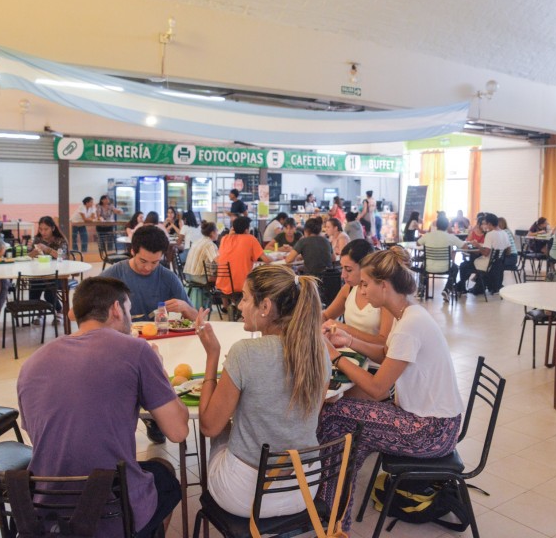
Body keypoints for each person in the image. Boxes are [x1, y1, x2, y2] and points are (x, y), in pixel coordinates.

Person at [17, 276, 187, 538]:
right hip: (110, 511)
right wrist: (159, 371)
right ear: (116, 309)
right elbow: (177, 432)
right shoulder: (137, 350)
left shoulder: (32, 363)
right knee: (164, 474)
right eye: (129, 310)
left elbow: (40, 434)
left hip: (46, 511)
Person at [317, 247, 463, 531]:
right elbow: (386, 354)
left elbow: (377, 387)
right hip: (432, 422)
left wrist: (335, 356)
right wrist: (349, 340)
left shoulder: (409, 325)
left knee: (335, 415)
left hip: (431, 431)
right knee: (348, 433)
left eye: (365, 284)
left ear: (383, 286)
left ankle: (331, 511)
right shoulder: (408, 314)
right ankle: (334, 512)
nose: (362, 290)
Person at [194, 265, 329, 517]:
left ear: (265, 307)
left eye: (245, 298)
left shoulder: (245, 352)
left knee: (220, 427)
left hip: (246, 496)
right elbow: (302, 416)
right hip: (304, 488)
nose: (239, 306)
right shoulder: (320, 352)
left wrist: (212, 356)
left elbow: (208, 427)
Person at [100, 226, 196, 321]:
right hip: (122, 335)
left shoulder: (168, 278)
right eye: (143, 261)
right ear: (132, 251)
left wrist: (185, 308)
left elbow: (197, 318)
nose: (148, 267)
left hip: (157, 334)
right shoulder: (113, 275)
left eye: (155, 262)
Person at [322, 239, 394, 347]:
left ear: (366, 268)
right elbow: (326, 315)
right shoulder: (349, 289)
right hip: (350, 353)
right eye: (342, 268)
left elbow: (383, 342)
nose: (343, 275)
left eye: (349, 270)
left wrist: (345, 329)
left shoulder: (384, 294)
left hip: (374, 360)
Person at [216, 217, 272, 313]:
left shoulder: (224, 239)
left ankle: (231, 307)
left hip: (223, 282)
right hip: (241, 284)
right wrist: (276, 258)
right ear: (247, 229)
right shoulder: (250, 239)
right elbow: (266, 260)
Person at [417, 214, 467, 302]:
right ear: (448, 225)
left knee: (422, 266)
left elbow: (418, 243)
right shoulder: (451, 237)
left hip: (429, 267)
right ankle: (447, 289)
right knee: (455, 268)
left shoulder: (428, 235)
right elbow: (464, 246)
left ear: (436, 225)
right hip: (445, 267)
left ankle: (421, 289)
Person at [27, 216, 69, 319]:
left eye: (46, 229)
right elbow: (28, 257)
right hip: (39, 272)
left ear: (53, 228)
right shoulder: (37, 240)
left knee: (49, 292)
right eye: (41, 229)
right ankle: (39, 311)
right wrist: (33, 251)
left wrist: (47, 249)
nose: (43, 232)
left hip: (57, 274)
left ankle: (59, 310)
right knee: (34, 288)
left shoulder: (60, 241)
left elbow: (62, 256)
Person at [459, 213, 511, 294]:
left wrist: (478, 245)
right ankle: (478, 287)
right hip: (497, 264)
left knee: (463, 266)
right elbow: (508, 251)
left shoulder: (490, 234)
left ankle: (461, 288)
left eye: (485, 224)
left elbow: (486, 253)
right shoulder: (504, 233)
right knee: (467, 264)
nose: (485, 226)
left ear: (489, 224)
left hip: (487, 265)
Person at [183, 222, 220, 308]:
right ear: (212, 233)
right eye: (217, 230)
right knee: (224, 279)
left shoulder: (197, 241)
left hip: (188, 275)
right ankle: (210, 306)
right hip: (199, 277)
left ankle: (207, 305)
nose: (218, 232)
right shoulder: (210, 244)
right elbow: (219, 261)